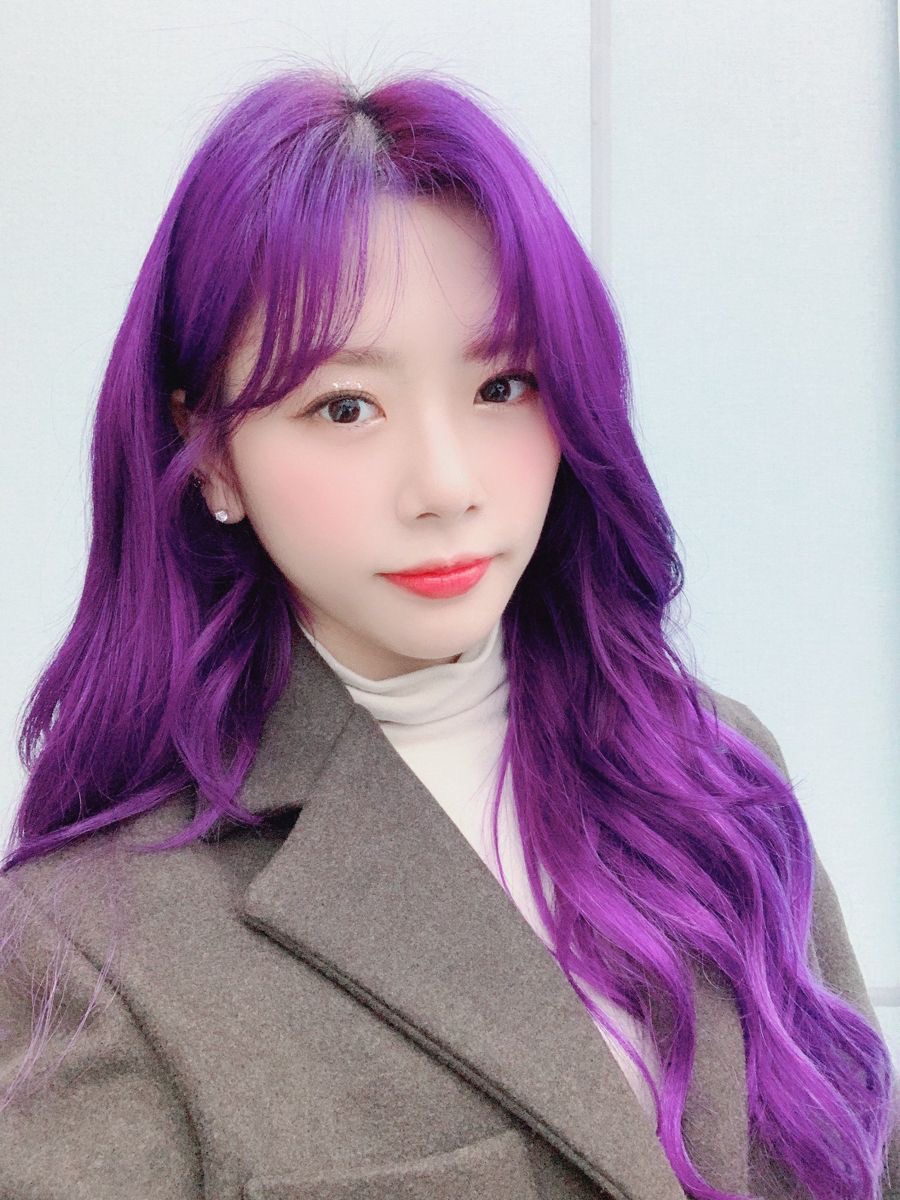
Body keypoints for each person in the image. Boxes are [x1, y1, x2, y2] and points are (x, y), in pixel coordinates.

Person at [0, 65, 897, 1200]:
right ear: (212, 454)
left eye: (504, 386)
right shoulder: (94, 941)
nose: (445, 485)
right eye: (345, 407)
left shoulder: (719, 771)